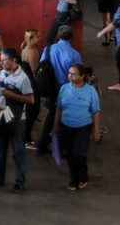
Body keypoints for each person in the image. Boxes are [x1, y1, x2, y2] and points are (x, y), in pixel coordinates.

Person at [0, 48, 34, 192]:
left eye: (4, 60)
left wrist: (10, 94)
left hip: (17, 120)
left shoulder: (23, 78)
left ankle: (20, 182)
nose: (1, 62)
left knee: (18, 151)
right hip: (0, 117)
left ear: (14, 61)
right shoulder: (2, 73)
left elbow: (31, 99)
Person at [54, 64, 102, 190]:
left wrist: (96, 130)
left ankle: (83, 176)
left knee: (79, 154)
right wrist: (56, 126)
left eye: (74, 74)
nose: (70, 76)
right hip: (66, 126)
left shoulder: (91, 91)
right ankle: (73, 179)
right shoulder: (64, 88)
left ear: (82, 76)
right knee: (69, 154)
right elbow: (59, 109)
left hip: (83, 128)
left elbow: (95, 112)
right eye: (69, 73)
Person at [37, 25, 82, 154]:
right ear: (71, 37)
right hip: (66, 90)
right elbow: (78, 74)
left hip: (50, 88)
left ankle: (44, 144)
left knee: (52, 115)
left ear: (58, 36)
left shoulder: (48, 48)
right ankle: (58, 146)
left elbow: (42, 65)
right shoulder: (75, 54)